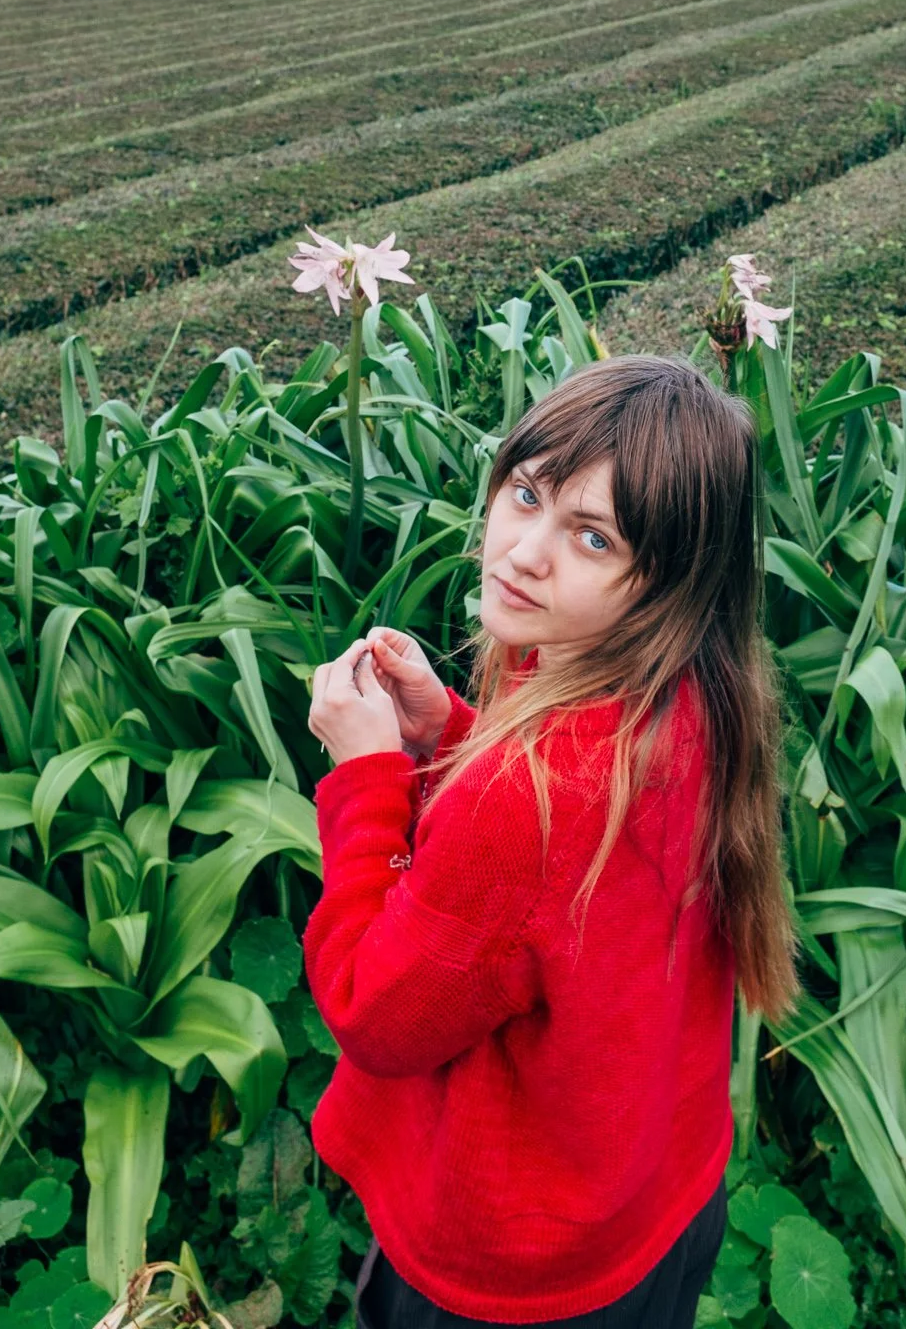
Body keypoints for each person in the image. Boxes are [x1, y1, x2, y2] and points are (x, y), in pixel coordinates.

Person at [304, 353, 799, 1327]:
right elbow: (556, 886)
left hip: (509, 1271)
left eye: (591, 534)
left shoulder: (524, 795)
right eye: (527, 492)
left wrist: (366, 776)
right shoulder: (696, 695)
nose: (525, 549)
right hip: (647, 1203)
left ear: (667, 577)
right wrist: (447, 731)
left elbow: (375, 1012)